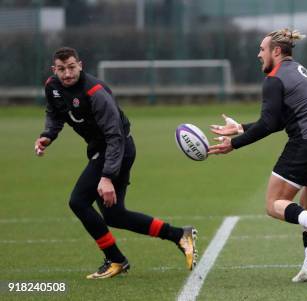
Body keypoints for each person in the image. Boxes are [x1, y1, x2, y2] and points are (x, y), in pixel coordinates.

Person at [35, 47, 198, 279]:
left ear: (80, 65)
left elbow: (115, 136)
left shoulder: (95, 92)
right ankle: (179, 235)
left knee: (79, 201)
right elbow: (54, 112)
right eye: (62, 69)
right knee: (115, 216)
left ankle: (115, 259)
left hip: (117, 149)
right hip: (101, 150)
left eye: (71, 67)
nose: (67, 73)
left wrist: (107, 176)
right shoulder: (52, 86)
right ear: (54, 70)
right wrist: (48, 135)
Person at [208, 28, 307, 283]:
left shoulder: (274, 78)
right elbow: (280, 120)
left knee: (274, 205)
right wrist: (240, 127)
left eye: (262, 49)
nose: (259, 54)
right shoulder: (301, 72)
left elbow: (269, 125)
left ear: (276, 51)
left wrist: (234, 144)